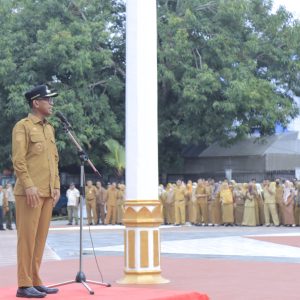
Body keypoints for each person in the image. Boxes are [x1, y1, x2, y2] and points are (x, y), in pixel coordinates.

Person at [12, 84, 60, 298]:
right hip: (29, 193)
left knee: (40, 239)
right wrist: (29, 185)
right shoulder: (22, 127)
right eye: (47, 99)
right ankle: (23, 284)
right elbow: (19, 160)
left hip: (47, 192)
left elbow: (54, 160)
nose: (51, 103)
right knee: (27, 239)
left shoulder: (49, 128)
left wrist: (56, 186)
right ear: (36, 103)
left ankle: (35, 279)